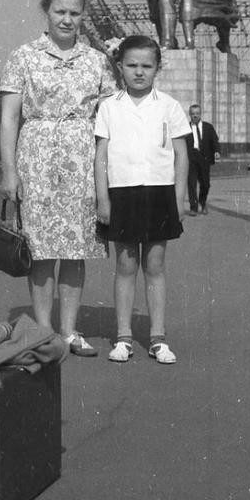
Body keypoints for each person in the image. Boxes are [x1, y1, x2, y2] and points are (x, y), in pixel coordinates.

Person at [0, 0, 116, 357]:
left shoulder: (97, 60)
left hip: (83, 160)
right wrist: (9, 171)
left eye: (74, 12)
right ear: (46, 12)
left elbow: (113, 115)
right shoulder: (23, 56)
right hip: (37, 161)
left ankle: (68, 331)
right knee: (43, 249)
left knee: (76, 248)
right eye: (59, 11)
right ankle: (43, 332)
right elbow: (9, 119)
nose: (67, 19)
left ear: (83, 16)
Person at [94, 35, 189, 364]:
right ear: (120, 67)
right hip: (122, 192)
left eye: (146, 66)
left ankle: (158, 338)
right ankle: (123, 337)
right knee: (125, 265)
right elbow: (101, 157)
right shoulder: (109, 107)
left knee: (155, 265)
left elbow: (181, 155)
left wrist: (180, 197)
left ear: (157, 69)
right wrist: (102, 199)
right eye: (132, 65)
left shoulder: (169, 106)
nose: (139, 72)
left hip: (159, 192)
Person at [185, 103, 220, 216]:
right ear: (190, 115)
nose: (195, 116)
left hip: (204, 158)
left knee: (205, 184)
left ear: (200, 114)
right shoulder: (185, 128)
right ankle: (193, 208)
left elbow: (215, 140)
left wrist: (216, 151)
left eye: (197, 113)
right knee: (191, 183)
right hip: (191, 158)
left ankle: (202, 202)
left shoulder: (208, 127)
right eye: (193, 114)